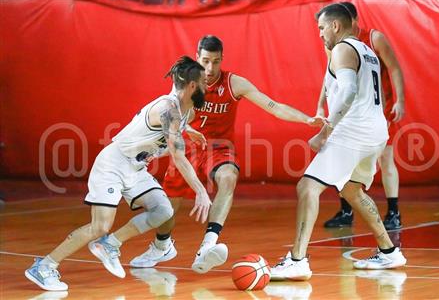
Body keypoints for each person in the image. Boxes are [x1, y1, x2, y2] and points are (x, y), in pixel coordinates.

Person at [95, 35, 323, 275]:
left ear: (222, 59)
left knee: (228, 177)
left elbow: (273, 106)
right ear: (197, 58)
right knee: (165, 211)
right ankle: (162, 245)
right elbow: (176, 117)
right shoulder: (189, 82)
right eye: (205, 61)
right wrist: (189, 130)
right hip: (188, 150)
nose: (210, 68)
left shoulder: (235, 83)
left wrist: (306, 119)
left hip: (219, 148)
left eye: (216, 61)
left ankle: (208, 245)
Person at [24, 56, 212, 291]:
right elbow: (178, 155)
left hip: (135, 167)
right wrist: (201, 191)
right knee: (99, 226)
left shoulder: (186, 113)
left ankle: (110, 244)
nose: (207, 87)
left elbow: (174, 127)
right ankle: (44, 266)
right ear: (193, 86)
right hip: (113, 165)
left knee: (163, 210)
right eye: (205, 82)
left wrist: (189, 131)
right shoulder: (167, 108)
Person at [271, 3, 406, 281]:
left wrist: (325, 131)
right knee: (352, 190)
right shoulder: (366, 50)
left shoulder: (343, 49)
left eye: (321, 28)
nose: (319, 34)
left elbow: (347, 91)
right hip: (376, 132)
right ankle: (389, 251)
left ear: (335, 25)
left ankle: (297, 260)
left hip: (352, 132)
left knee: (307, 186)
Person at [318, 2, 405, 230]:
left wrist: (400, 100)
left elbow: (394, 68)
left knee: (386, 159)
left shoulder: (373, 39)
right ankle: (346, 211)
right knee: (343, 160)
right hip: (350, 115)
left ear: (352, 20)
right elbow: (330, 77)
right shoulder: (336, 46)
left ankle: (394, 212)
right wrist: (320, 106)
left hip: (377, 111)